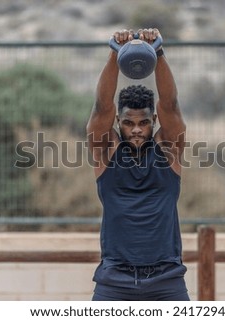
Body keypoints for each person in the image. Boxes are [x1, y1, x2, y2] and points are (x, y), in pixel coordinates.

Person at [86, 28, 189, 301]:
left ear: (153, 121)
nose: (135, 130)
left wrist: (157, 51)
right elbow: (101, 106)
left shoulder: (168, 151)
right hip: (114, 280)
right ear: (118, 122)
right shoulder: (106, 152)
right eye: (128, 122)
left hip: (166, 280)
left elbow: (170, 104)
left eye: (143, 123)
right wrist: (114, 52)